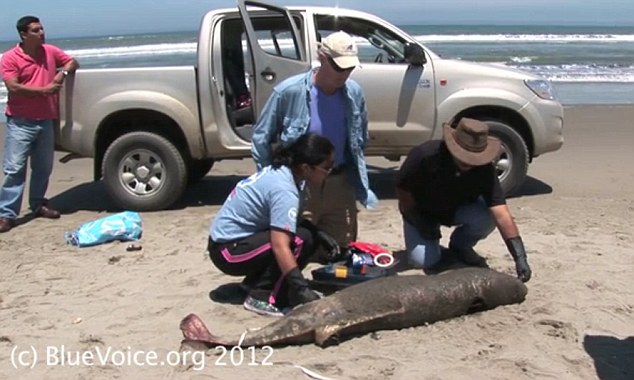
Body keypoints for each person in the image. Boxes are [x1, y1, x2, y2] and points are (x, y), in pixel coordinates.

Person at [251, 31, 377, 260]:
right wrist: (271, 180)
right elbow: (261, 137)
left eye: (349, 68)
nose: (344, 74)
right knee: (296, 248)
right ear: (322, 57)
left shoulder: (354, 92)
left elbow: (360, 136)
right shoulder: (289, 91)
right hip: (301, 184)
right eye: (339, 67)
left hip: (339, 181)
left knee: (340, 251)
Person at [208, 133, 341, 317]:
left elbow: (283, 219)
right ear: (306, 167)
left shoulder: (287, 174)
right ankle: (262, 297)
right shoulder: (284, 189)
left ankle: (253, 284)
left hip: (241, 241)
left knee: (306, 235)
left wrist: (317, 233)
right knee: (299, 241)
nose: (330, 171)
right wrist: (301, 289)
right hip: (228, 251)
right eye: (326, 167)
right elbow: (280, 246)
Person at [396, 118, 532, 282]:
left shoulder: (485, 169)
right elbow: (404, 193)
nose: (468, 162)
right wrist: (418, 221)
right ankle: (435, 248)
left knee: (488, 217)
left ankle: (460, 246)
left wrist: (520, 256)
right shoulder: (425, 155)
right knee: (422, 261)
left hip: (457, 210)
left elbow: (501, 213)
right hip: (421, 212)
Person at [0, 16, 79, 233]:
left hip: (45, 120)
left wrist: (61, 74)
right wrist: (43, 91)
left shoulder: (50, 51)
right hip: (20, 121)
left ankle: (38, 205)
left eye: (42, 28)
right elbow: (13, 87)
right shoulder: (9, 58)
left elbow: (73, 62)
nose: (41, 33)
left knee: (43, 167)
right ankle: (6, 214)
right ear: (24, 34)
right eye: (35, 30)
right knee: (15, 169)